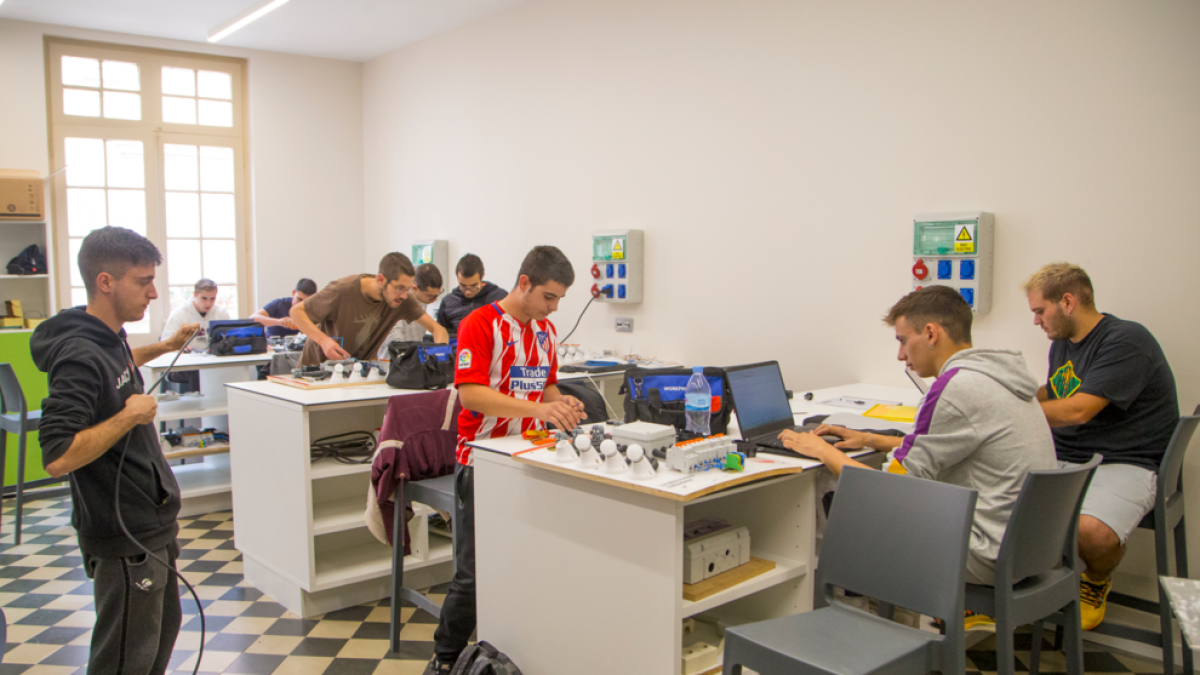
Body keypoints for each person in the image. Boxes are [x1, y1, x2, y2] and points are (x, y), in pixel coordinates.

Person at [779, 285, 1056, 590]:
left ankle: (864, 613)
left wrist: (821, 450)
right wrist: (870, 439)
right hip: (1032, 550)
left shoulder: (953, 389)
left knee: (830, 490)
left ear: (930, 334)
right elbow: (953, 443)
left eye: (902, 341)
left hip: (985, 556)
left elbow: (890, 488)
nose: (900, 355)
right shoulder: (1000, 376)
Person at [31, 226, 200, 675]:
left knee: (158, 638)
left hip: (151, 521)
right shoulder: (78, 353)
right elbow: (58, 455)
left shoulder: (108, 336)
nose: (153, 292)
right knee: (126, 657)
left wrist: (161, 348)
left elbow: (116, 371)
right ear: (106, 281)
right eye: (143, 281)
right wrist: (128, 416)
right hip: (122, 531)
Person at [424, 246, 587, 674]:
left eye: (559, 301)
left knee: (524, 566)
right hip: (481, 463)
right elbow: (471, 393)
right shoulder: (481, 323)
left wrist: (561, 403)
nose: (553, 308)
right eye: (549, 297)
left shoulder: (545, 333)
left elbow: (546, 387)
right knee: (473, 575)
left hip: (529, 458)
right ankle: (444, 660)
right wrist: (538, 410)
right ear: (525, 283)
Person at [1025, 262, 1179, 630]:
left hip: (1125, 461)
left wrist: (1012, 414)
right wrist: (1016, 396)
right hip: (1066, 456)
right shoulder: (1063, 343)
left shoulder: (1126, 341)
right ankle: (1010, 593)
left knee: (1091, 533)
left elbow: (1078, 410)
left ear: (1067, 301)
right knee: (987, 507)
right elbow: (1059, 392)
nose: (1036, 322)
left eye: (1039, 311)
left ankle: (1094, 580)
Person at [292, 252, 448, 366]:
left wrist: (438, 362)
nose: (404, 295)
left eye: (408, 289)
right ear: (381, 280)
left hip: (354, 374)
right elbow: (296, 312)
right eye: (399, 288)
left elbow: (438, 330)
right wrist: (323, 341)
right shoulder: (343, 290)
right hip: (314, 370)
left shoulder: (403, 298)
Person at [377, 264, 445, 358]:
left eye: (437, 295)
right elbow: (394, 337)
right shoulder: (399, 301)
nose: (435, 299)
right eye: (430, 296)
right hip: (392, 361)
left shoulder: (421, 299)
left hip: (411, 360)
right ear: (415, 288)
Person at [436, 253, 507, 340]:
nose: (468, 292)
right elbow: (441, 335)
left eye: (474, 286)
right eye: (463, 286)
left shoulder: (501, 299)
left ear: (482, 277)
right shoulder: (448, 302)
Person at [160, 278, 230, 352]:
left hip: (216, 359)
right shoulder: (179, 315)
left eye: (212, 298)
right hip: (187, 360)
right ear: (195, 295)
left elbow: (231, 339)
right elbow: (165, 345)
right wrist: (178, 348)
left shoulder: (222, 313)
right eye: (204, 298)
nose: (208, 303)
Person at [251, 277, 317, 338]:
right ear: (293, 293)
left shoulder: (316, 309)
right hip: (273, 347)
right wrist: (279, 322)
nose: (301, 304)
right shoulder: (279, 304)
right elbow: (253, 319)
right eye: (299, 299)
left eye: (307, 301)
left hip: (301, 347)